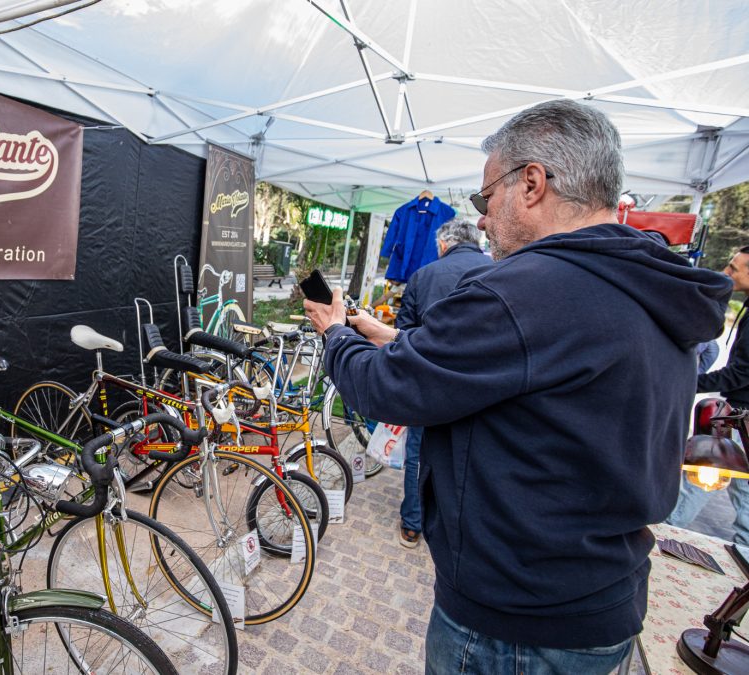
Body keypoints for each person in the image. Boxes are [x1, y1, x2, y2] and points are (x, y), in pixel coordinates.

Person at [304, 99, 731, 674]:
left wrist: (337, 336)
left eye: (485, 198)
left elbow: (388, 389)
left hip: (514, 623)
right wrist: (387, 335)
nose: (480, 219)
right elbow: (512, 375)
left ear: (531, 183)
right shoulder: (649, 282)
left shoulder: (526, 290)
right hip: (603, 596)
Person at [393, 217, 490, 548]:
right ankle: (461, 530)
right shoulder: (501, 271)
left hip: (428, 382)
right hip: (484, 386)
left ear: (444, 245)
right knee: (476, 455)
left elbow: (401, 333)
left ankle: (412, 523)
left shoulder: (423, 275)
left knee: (418, 453)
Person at [667, 246, 749, 544]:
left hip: (742, 417)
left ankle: (665, 540)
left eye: (734, 268)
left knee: (702, 482)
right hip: (738, 412)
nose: (727, 272)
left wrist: (686, 380)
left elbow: (741, 373)